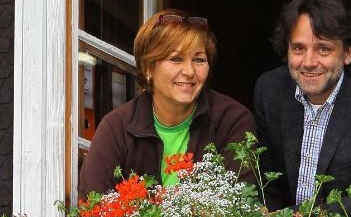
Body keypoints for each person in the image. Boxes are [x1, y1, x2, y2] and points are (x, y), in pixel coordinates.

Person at [79, 10, 256, 200]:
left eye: (198, 59)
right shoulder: (116, 127)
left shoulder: (232, 120)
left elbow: (239, 203)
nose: (189, 71)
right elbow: (92, 204)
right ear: (149, 68)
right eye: (176, 59)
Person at [253, 0, 351, 213]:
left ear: (347, 53)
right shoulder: (270, 90)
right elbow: (267, 183)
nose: (309, 61)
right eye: (299, 48)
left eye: (323, 49)